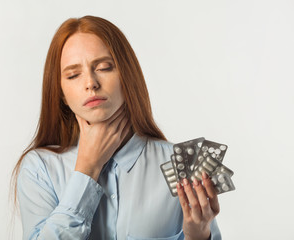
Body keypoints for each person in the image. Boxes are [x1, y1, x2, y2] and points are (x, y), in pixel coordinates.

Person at [11, 15, 221, 240]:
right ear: (61, 93)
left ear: (127, 76)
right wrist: (87, 169)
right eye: (73, 75)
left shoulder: (181, 164)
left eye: (103, 67)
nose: (90, 83)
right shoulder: (39, 168)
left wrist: (198, 236)